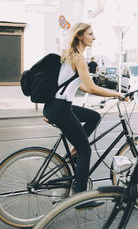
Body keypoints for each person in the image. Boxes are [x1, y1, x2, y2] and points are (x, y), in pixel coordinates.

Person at [43, 23, 126, 209]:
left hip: (56, 106)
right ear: (80, 36)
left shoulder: (69, 54)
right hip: (61, 109)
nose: (94, 37)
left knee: (94, 116)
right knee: (86, 151)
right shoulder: (78, 57)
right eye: (90, 33)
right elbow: (91, 88)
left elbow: (76, 84)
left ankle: (73, 152)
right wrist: (117, 94)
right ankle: (80, 198)